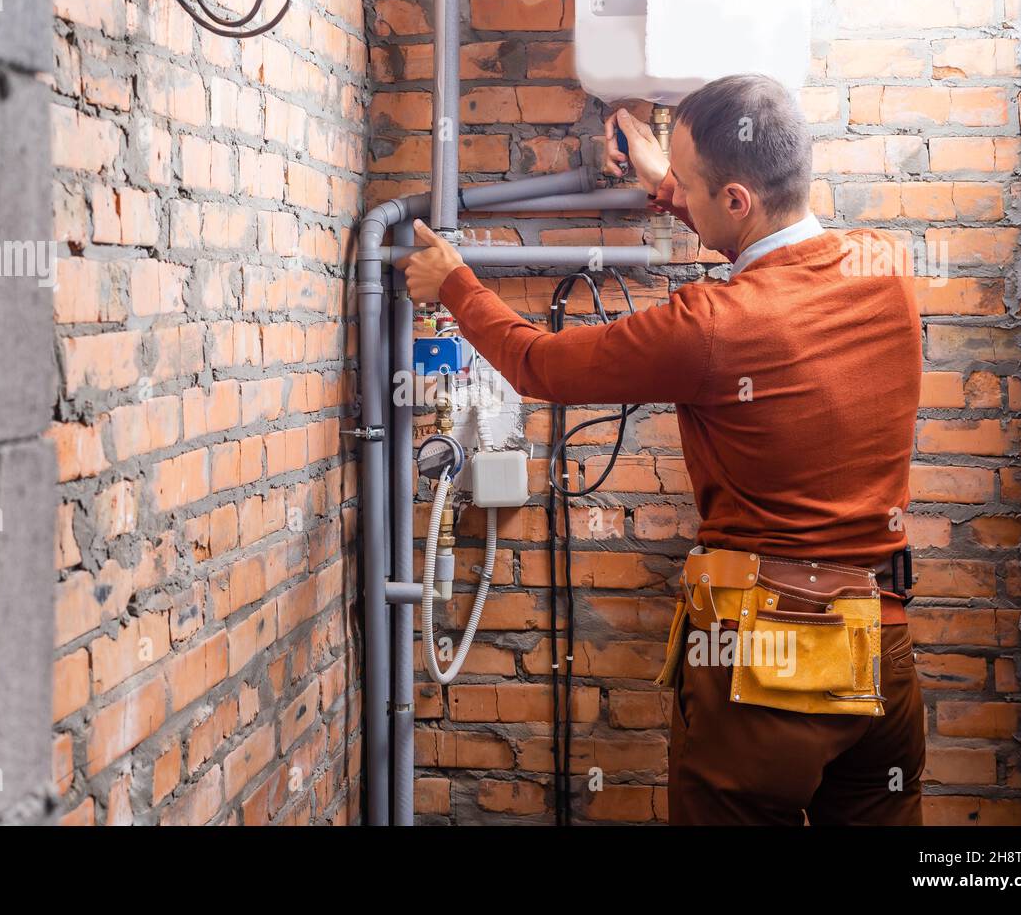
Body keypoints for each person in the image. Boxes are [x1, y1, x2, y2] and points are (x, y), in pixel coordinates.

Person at [396, 73, 926, 825]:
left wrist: (454, 283)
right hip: (883, 656)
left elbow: (538, 365)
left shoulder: (712, 323)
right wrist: (675, 186)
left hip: (767, 669)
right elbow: (772, 239)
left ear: (735, 200)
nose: (673, 187)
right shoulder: (888, 270)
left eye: (689, 181)